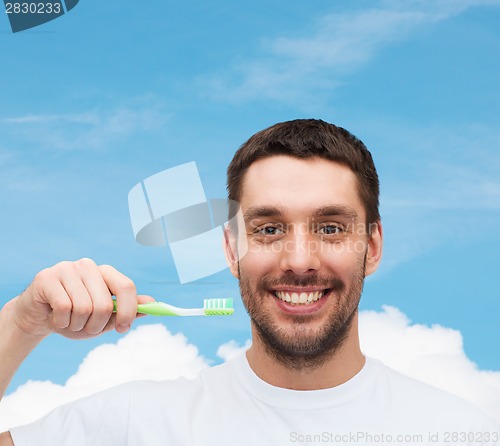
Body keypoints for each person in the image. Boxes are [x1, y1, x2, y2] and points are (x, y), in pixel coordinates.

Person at [0, 119, 498, 445]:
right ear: (230, 249)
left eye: (329, 228)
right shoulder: (136, 423)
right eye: (269, 229)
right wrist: (21, 323)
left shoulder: (462, 433)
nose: (299, 260)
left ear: (372, 247)